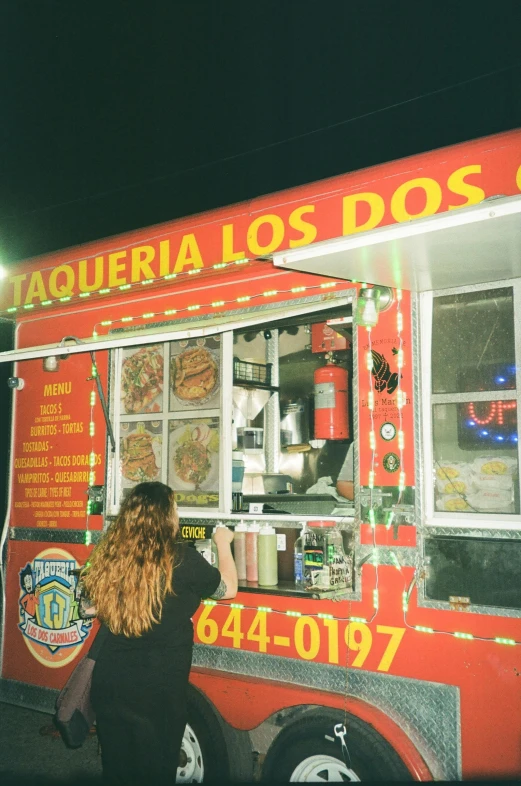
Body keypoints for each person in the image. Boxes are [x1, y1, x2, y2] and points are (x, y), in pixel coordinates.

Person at [82, 481, 237, 784]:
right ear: (165, 517)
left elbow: (88, 605)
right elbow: (228, 588)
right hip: (156, 694)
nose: (178, 516)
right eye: (175, 509)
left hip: (111, 685)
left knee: (116, 770)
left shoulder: (111, 554)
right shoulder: (181, 559)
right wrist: (223, 542)